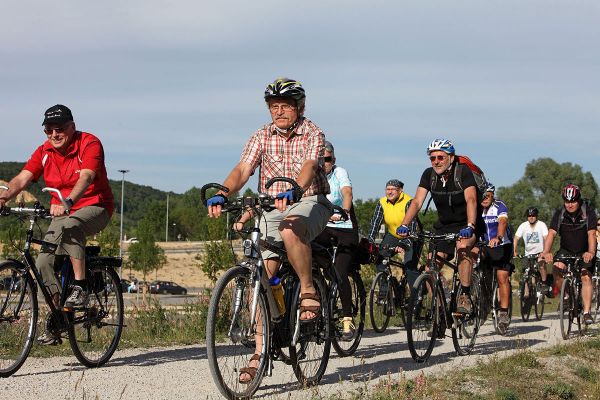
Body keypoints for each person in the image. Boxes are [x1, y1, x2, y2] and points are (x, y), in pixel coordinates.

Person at [205, 78, 332, 383]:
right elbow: (243, 169)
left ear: (299, 107)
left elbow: (309, 166)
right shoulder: (262, 135)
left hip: (309, 201)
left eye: (285, 106)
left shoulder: (312, 132)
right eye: (273, 107)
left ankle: (308, 290)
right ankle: (259, 353)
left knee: (291, 230)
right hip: (271, 208)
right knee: (263, 276)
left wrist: (295, 190)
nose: (278, 112)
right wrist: (224, 191)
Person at [0, 104, 114, 344]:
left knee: (72, 225)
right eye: (48, 130)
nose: (54, 134)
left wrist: (70, 200)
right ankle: (59, 318)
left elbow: (87, 176)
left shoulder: (89, 143)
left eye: (59, 128)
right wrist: (3, 198)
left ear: (72, 127)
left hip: (95, 206)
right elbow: (23, 178)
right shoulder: (44, 151)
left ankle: (81, 287)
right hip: (61, 212)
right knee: (42, 263)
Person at [397, 138, 482, 315]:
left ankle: (465, 296)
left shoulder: (463, 172)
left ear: (450, 157)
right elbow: (417, 202)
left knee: (463, 247)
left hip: (467, 224)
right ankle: (442, 305)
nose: (436, 161)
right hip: (443, 226)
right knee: (430, 267)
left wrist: (471, 225)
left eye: (440, 157)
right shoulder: (429, 175)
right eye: (432, 158)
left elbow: (471, 200)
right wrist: (404, 224)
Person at [313, 141, 358, 341]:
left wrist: (345, 211)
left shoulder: (340, 173)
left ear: (334, 159)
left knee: (340, 272)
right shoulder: (313, 175)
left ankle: (347, 318)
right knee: (309, 262)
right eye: (320, 159)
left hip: (344, 227)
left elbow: (346, 193)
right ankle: (320, 301)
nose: (324, 163)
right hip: (323, 227)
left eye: (328, 159)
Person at [541, 184, 597, 325]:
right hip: (566, 249)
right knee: (556, 268)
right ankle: (566, 296)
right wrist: (546, 251)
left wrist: (591, 252)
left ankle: (586, 312)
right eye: (567, 201)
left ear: (579, 200)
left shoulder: (588, 212)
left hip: (584, 250)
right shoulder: (560, 213)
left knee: (585, 275)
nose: (570, 205)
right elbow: (552, 233)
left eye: (573, 201)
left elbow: (591, 234)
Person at [367, 179, 420, 291]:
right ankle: (385, 292)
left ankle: (416, 298)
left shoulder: (409, 201)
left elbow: (412, 226)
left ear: (400, 191)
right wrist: (370, 241)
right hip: (393, 235)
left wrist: (404, 244)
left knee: (409, 266)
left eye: (393, 189)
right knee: (380, 259)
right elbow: (376, 222)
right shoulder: (382, 202)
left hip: (412, 236)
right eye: (387, 189)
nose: (389, 192)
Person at [479, 183, 513, 333]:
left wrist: (498, 237)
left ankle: (504, 313)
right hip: (485, 246)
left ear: (492, 195)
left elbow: (503, 221)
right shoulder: (477, 208)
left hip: (502, 245)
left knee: (501, 276)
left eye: (488, 195)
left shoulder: (499, 206)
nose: (485, 198)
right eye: (482, 195)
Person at [513, 206, 551, 295]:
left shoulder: (541, 225)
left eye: (533, 215)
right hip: (528, 253)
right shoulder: (523, 225)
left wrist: (545, 252)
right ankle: (526, 292)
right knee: (525, 271)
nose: (531, 217)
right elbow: (516, 238)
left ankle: (544, 283)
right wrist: (514, 250)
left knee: (541, 265)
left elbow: (546, 238)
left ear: (536, 216)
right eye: (529, 215)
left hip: (540, 252)